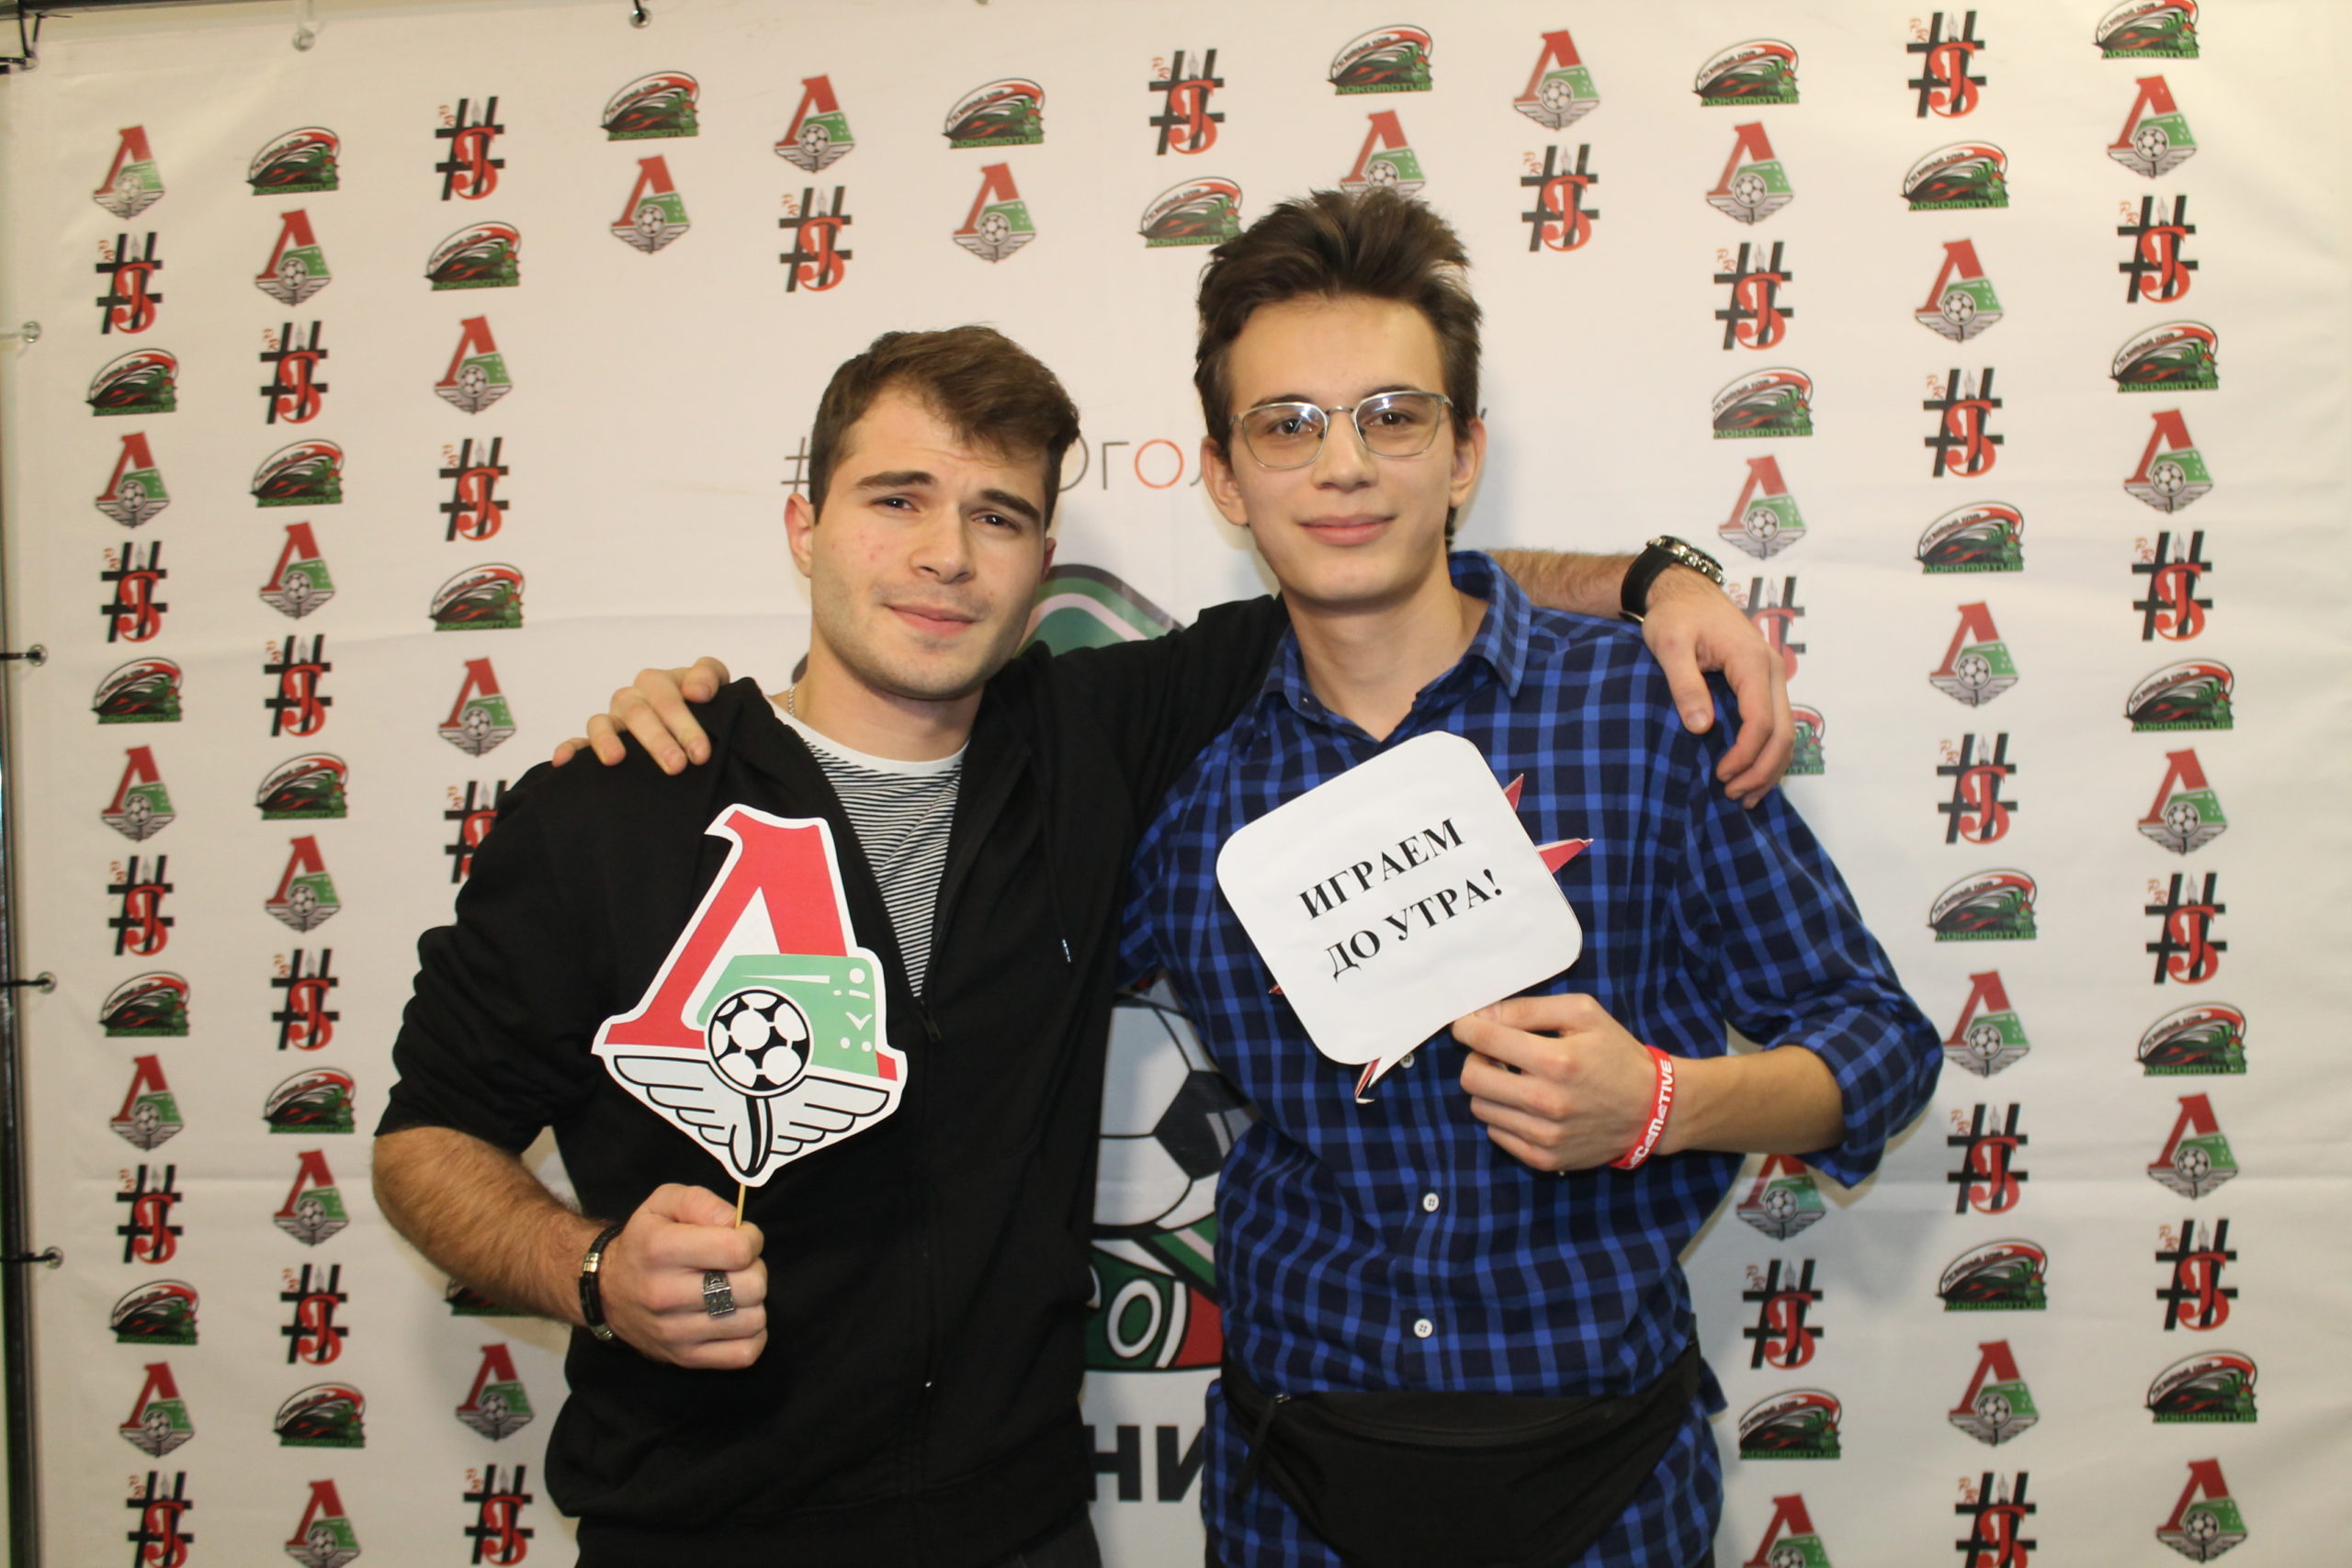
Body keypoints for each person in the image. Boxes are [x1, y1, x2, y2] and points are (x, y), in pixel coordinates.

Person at [378, 322, 1789, 1566]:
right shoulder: (617, 805)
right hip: (692, 1536)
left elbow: (1393, 580)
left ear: (1041, 565)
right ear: (804, 525)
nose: (946, 553)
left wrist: (1656, 580)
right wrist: (587, 1271)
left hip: (1021, 1534)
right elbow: (426, 1143)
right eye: (896, 498)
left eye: (996, 515)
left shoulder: (1098, 741)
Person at [1114, 190, 1942, 1567]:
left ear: (1464, 454)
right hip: (1293, 1480)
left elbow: (1881, 1047)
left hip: (1607, 1477)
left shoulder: (1641, 709)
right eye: (1288, 425)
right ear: (1223, 477)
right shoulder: (1179, 771)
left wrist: (1665, 1102)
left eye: (1394, 417)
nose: (1344, 467)